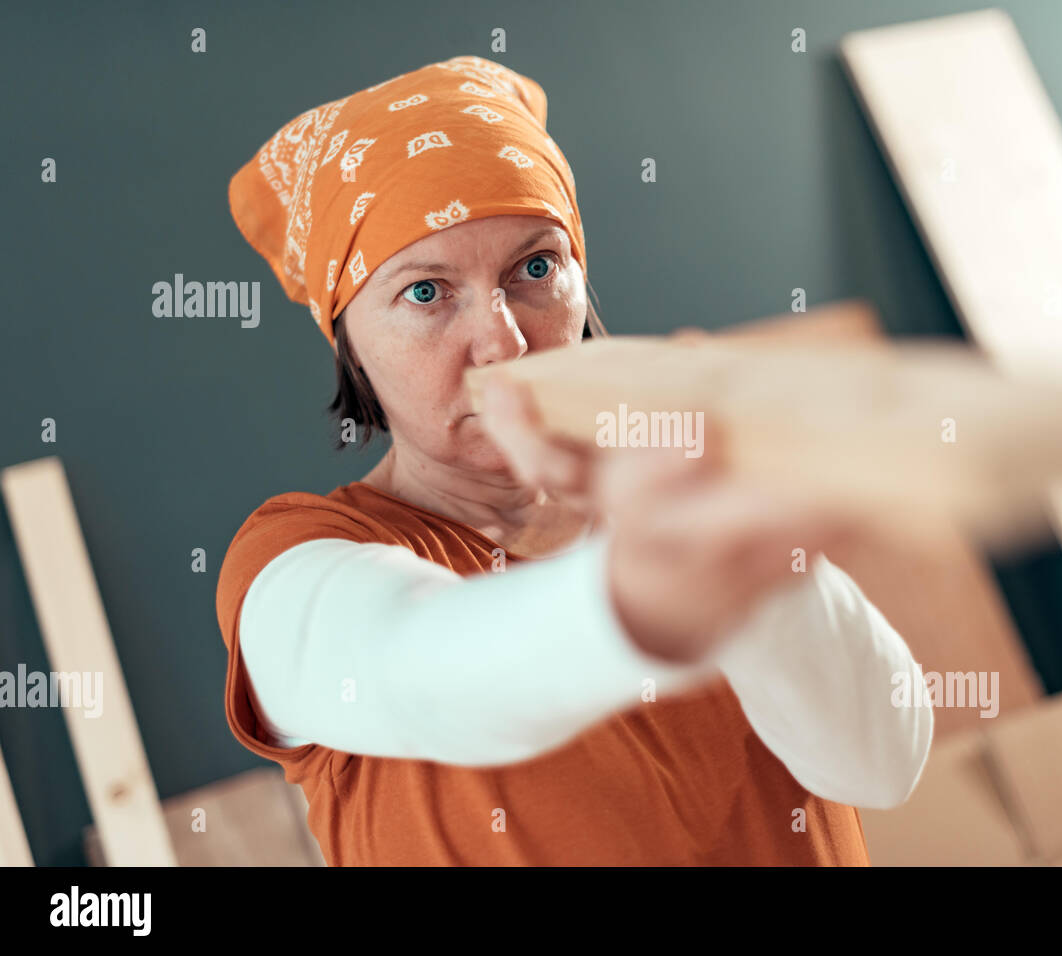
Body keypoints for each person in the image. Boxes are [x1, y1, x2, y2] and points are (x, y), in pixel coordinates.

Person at [217, 54, 933, 866]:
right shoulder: (296, 562)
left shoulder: (687, 487)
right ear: (350, 343)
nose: (504, 340)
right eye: (426, 291)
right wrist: (644, 593)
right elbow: (421, 667)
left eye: (534, 267)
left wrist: (761, 565)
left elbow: (880, 764)